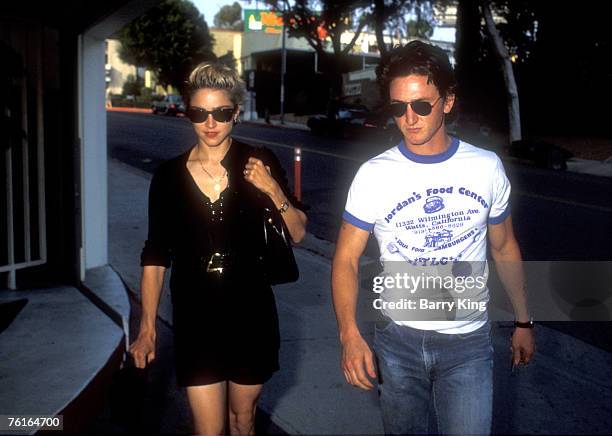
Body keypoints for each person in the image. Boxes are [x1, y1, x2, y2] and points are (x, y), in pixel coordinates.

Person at [331, 41, 535, 435]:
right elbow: (346, 258)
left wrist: (524, 320)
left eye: (422, 105)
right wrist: (349, 334)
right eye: (398, 107)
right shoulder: (374, 174)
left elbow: (504, 245)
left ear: (447, 101)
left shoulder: (485, 167)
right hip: (396, 343)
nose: (409, 118)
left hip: (468, 345)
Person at [129, 62, 307, 435]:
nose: (211, 123)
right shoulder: (168, 177)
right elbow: (156, 255)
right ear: (188, 113)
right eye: (200, 113)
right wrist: (147, 329)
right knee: (208, 429)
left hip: (251, 313)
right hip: (196, 316)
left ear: (236, 113)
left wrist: (272, 190)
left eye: (221, 113)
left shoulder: (259, 161)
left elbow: (299, 232)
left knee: (243, 420)